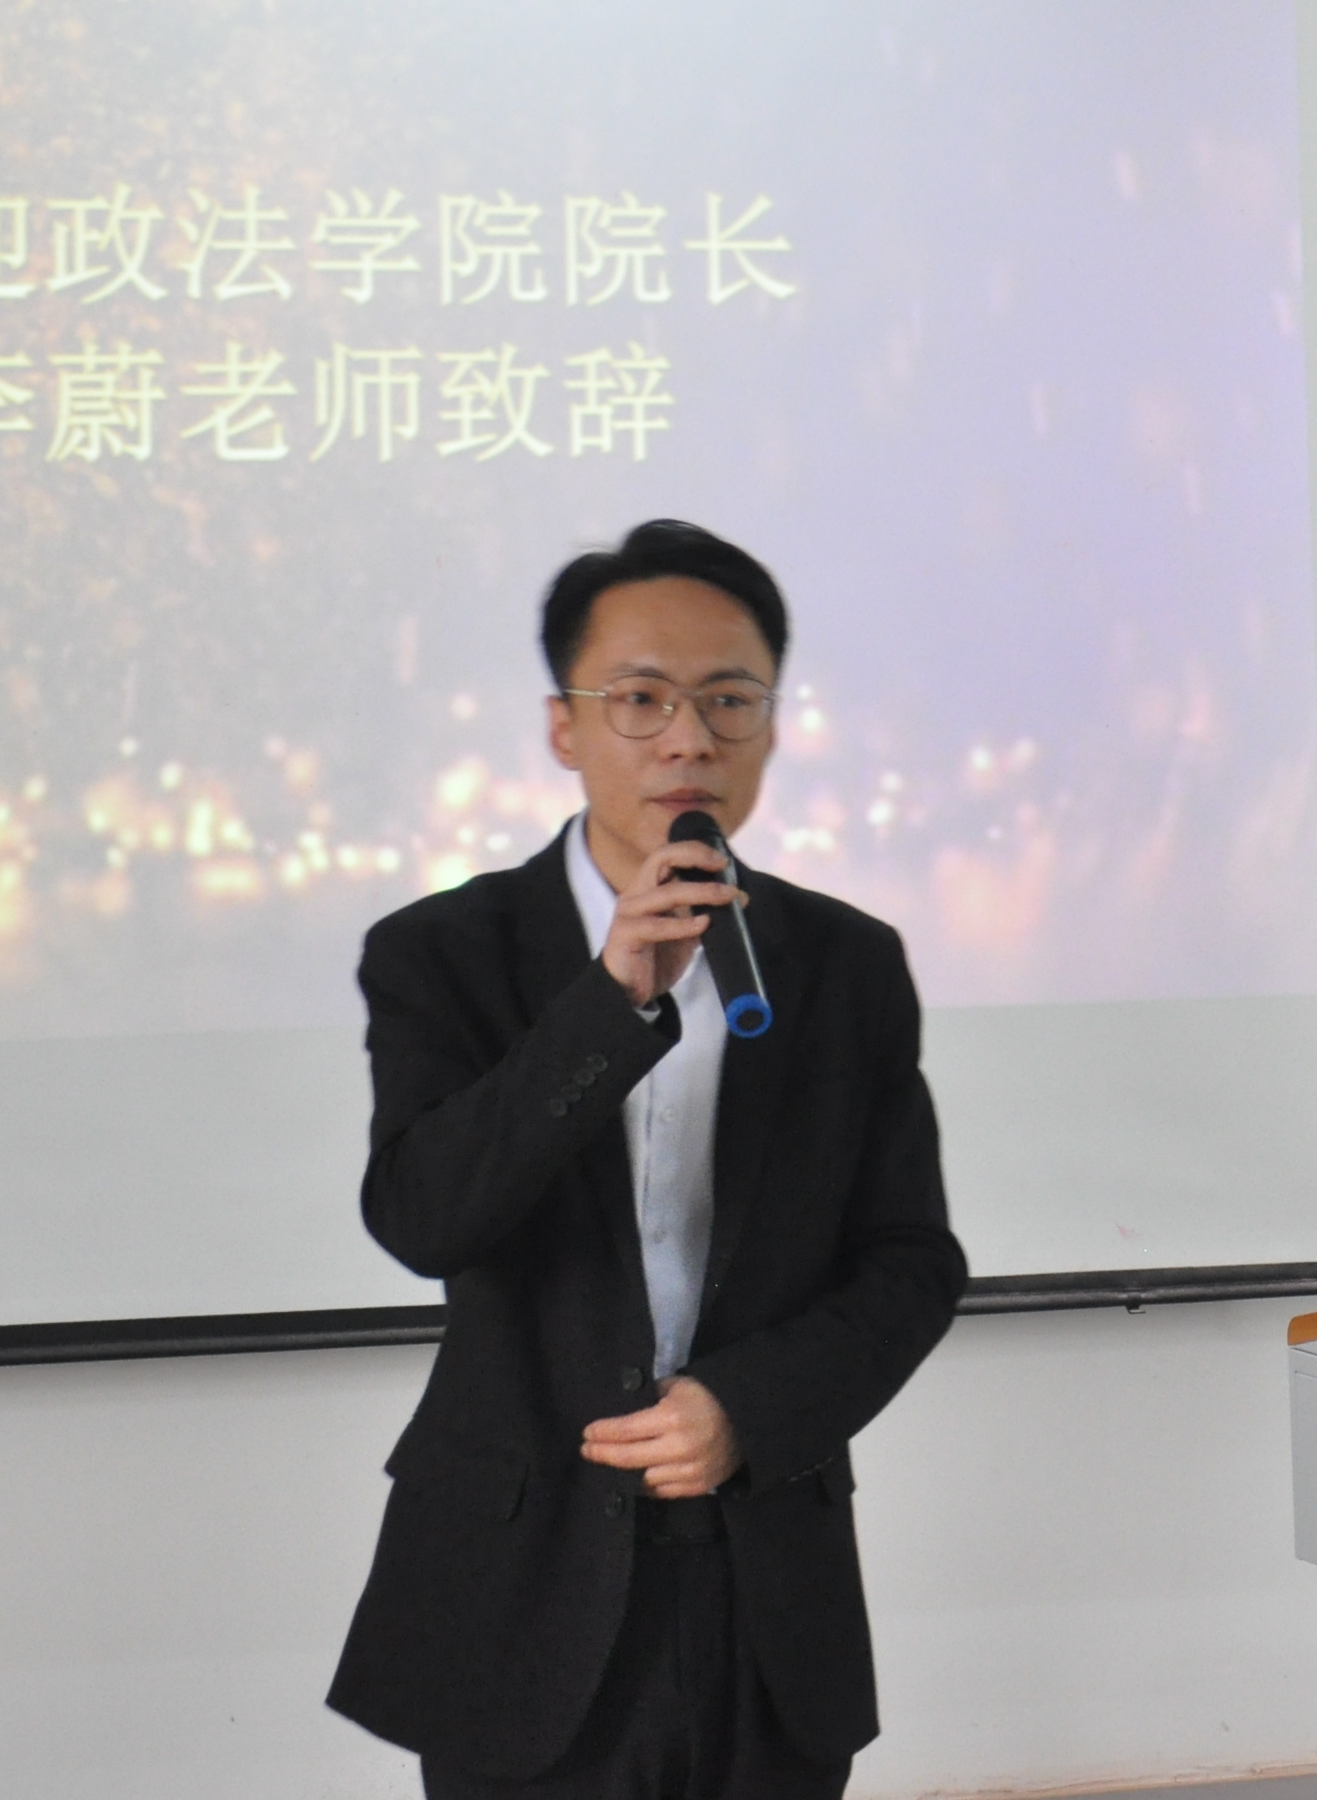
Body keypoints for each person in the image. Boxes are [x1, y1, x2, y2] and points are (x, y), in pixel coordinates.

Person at [328, 519, 966, 1800]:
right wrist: (611, 999)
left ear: (771, 727)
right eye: (640, 699)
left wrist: (748, 1406)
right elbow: (423, 1215)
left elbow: (910, 1263)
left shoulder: (844, 963)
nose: (689, 739)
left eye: (731, 699)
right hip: (521, 1579)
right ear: (563, 728)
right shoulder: (442, 952)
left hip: (767, 1574)